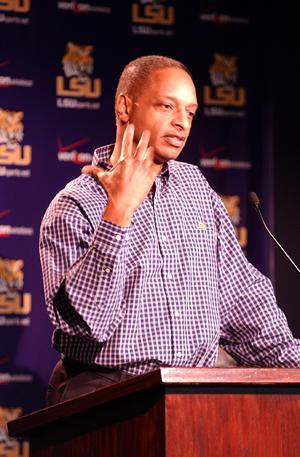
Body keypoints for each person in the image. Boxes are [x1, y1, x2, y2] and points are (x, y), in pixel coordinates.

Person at [39, 55, 300, 406]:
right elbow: (88, 323)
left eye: (190, 113)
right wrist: (118, 213)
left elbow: (242, 299)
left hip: (192, 396)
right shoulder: (75, 204)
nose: (182, 123)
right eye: (167, 106)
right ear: (124, 107)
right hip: (108, 399)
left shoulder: (195, 188)